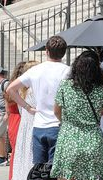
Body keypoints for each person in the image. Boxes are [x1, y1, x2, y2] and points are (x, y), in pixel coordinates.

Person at [6, 36, 70, 165]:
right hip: (59, 124)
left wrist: (27, 107)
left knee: (38, 169)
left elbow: (10, 89)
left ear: (47, 51)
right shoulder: (68, 71)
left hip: (39, 124)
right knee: (56, 169)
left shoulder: (35, 70)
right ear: (64, 52)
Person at [50, 50, 103, 180]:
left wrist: (65, 122)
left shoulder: (65, 86)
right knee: (91, 175)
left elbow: (56, 110)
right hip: (93, 139)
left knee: (65, 175)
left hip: (69, 137)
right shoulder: (101, 90)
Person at [6, 60, 39, 180]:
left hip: (24, 124)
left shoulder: (21, 90)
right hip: (32, 123)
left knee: (22, 154)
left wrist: (26, 107)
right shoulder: (33, 90)